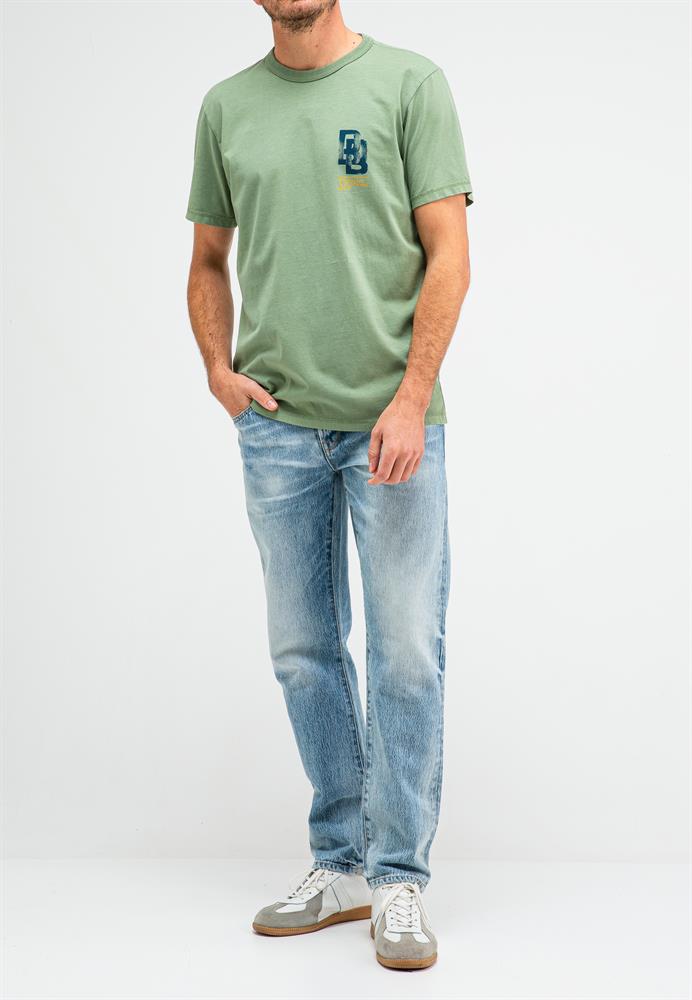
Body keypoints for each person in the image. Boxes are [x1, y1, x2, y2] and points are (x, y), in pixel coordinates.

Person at [186, 0, 472, 971]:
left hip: (393, 424)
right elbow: (208, 258)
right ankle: (341, 863)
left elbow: (449, 255)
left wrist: (411, 398)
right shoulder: (227, 107)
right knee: (303, 650)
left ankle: (399, 876)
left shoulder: (409, 84)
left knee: (405, 653)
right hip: (276, 429)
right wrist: (218, 371)